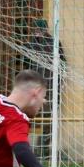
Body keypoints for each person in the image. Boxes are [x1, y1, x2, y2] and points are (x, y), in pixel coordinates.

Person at [20, 19, 67, 153]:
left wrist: (60, 83)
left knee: (49, 117)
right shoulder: (30, 45)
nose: (37, 32)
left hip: (50, 87)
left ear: (45, 30)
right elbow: (25, 66)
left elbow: (63, 65)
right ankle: (26, 144)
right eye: (35, 30)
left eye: (39, 30)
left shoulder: (54, 44)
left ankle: (43, 147)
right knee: (28, 115)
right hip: (34, 86)